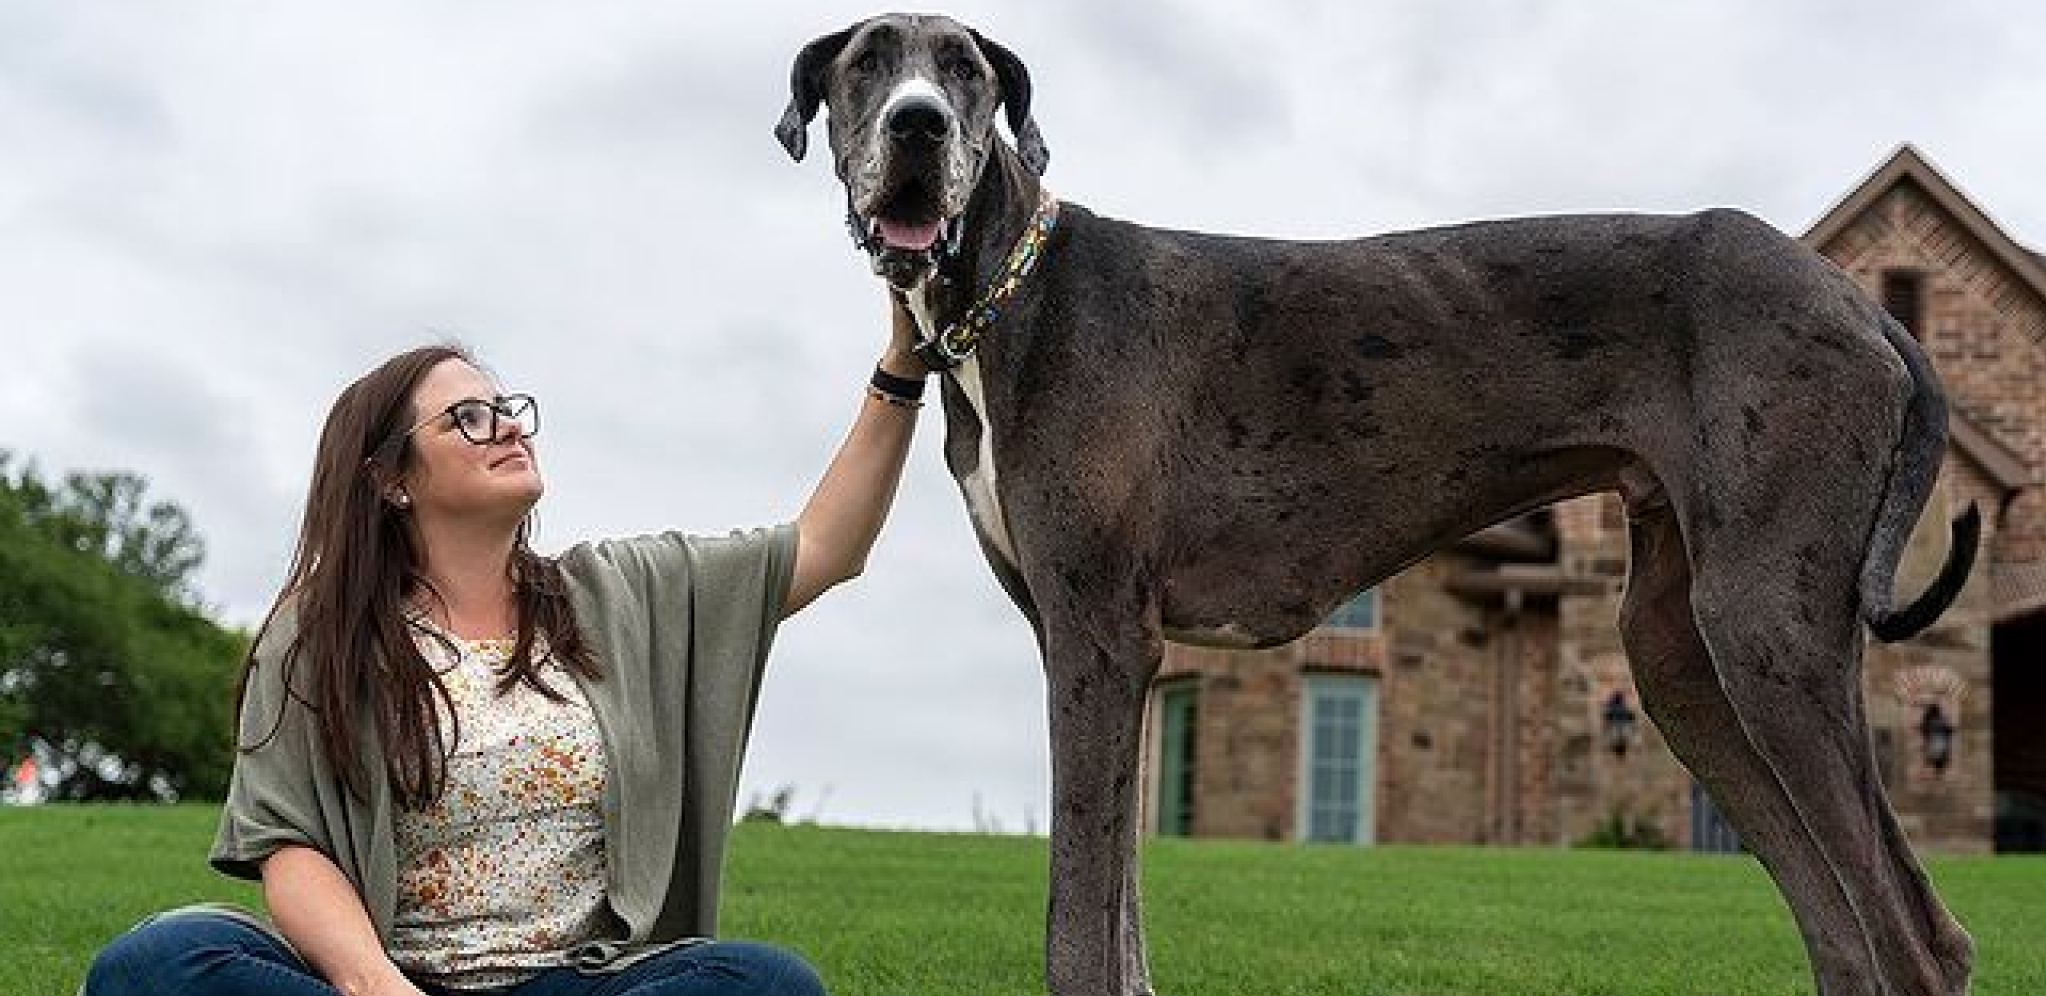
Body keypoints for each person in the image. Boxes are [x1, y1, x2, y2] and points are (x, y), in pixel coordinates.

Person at [83, 295, 931, 996]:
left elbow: (825, 547)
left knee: (763, 983)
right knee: (156, 964)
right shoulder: (318, 633)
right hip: (388, 977)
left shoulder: (622, 592)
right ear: (388, 479)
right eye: (468, 418)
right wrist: (377, 986)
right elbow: (287, 843)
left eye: (509, 410)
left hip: (577, 981)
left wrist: (902, 367)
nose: (507, 428)